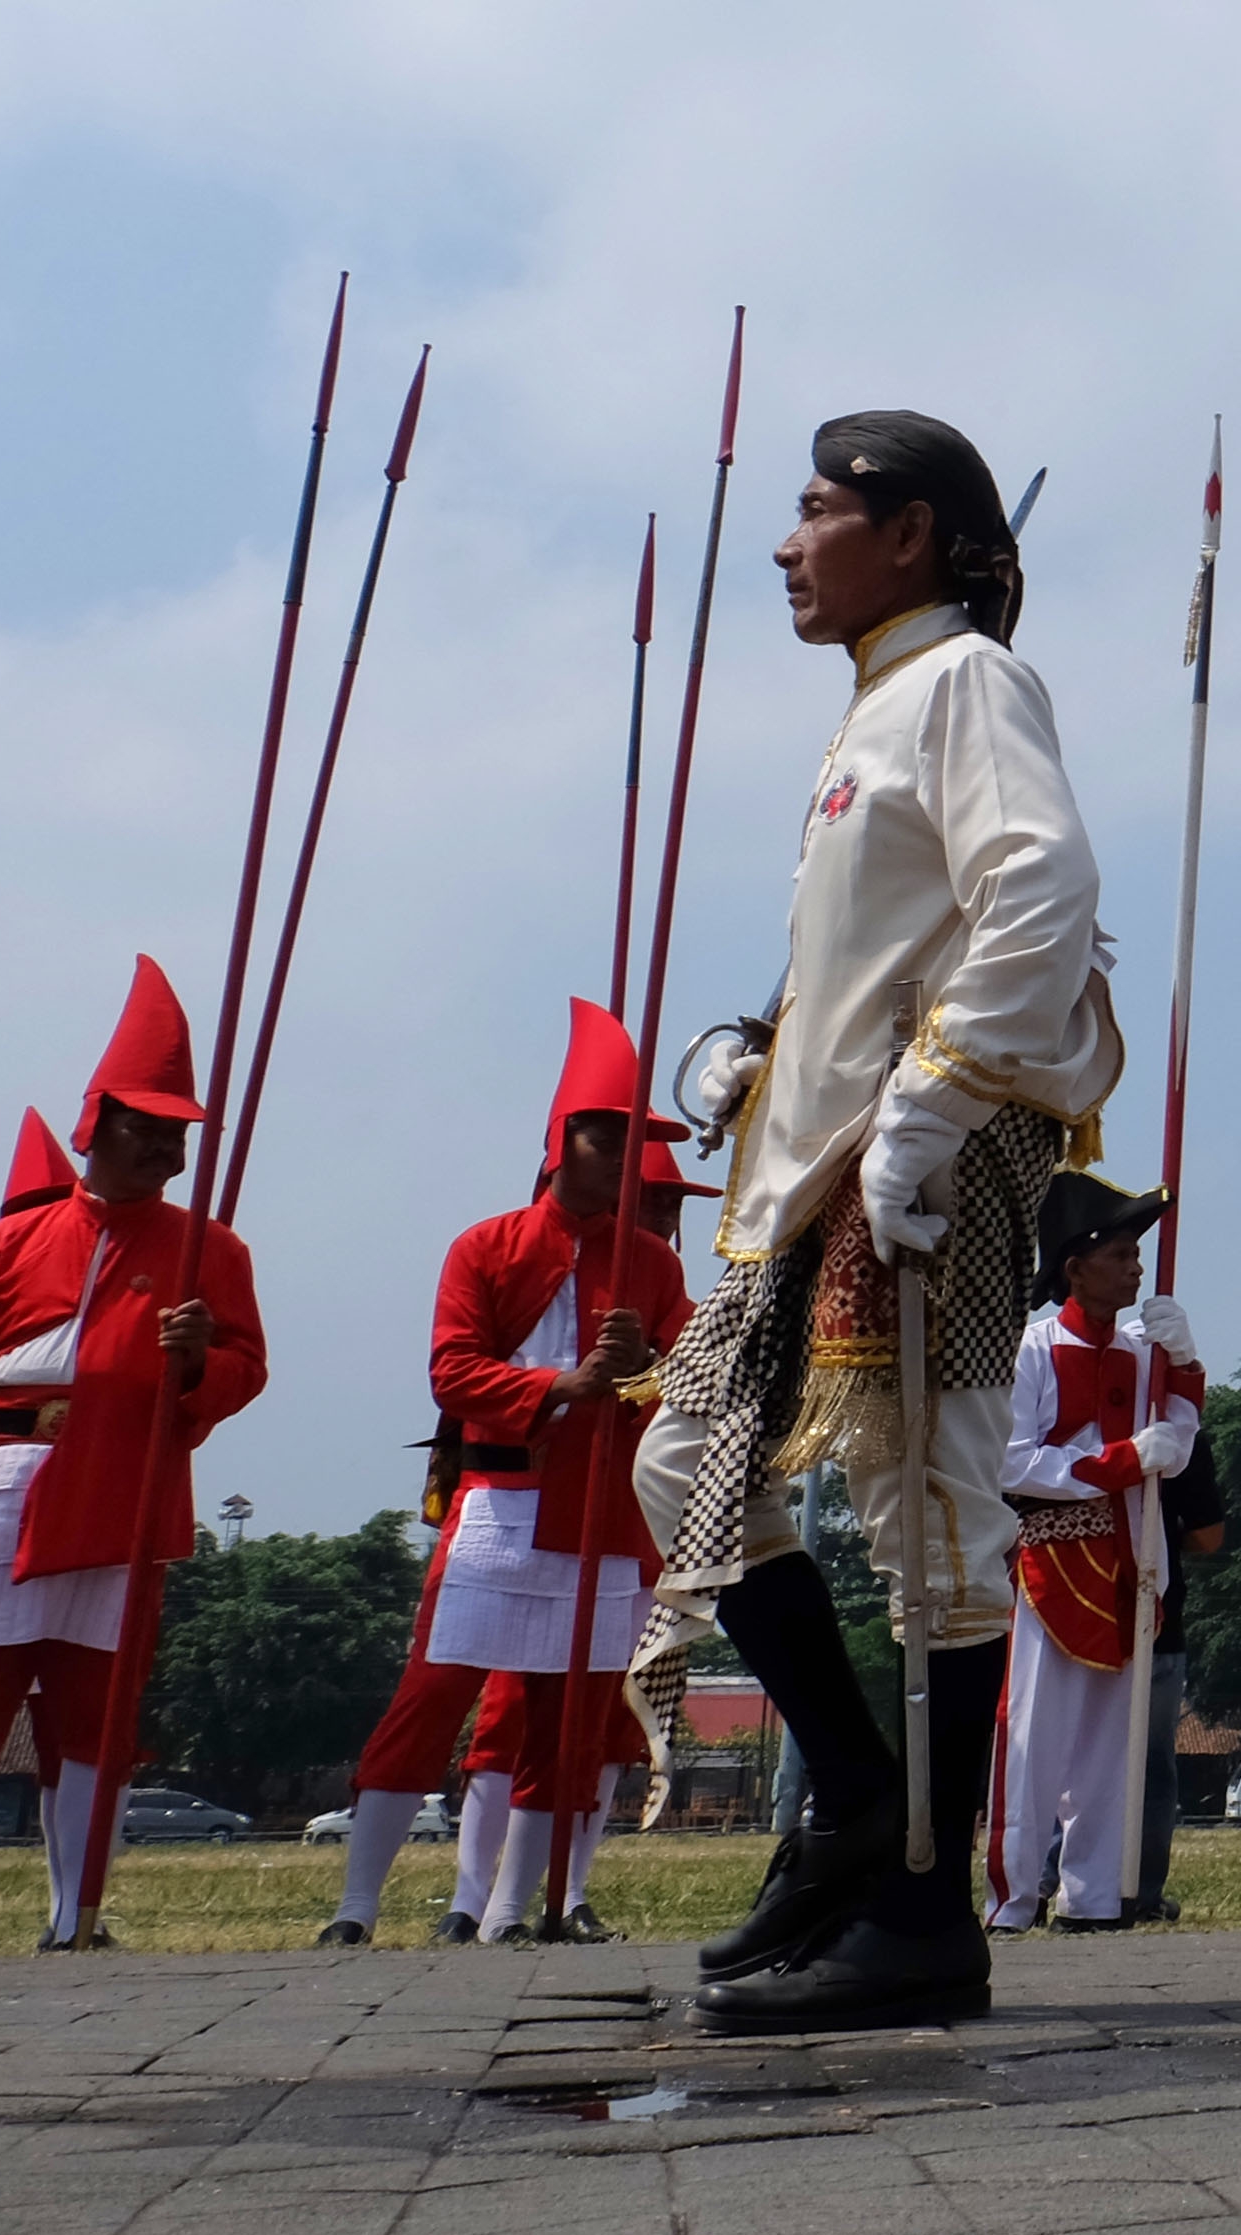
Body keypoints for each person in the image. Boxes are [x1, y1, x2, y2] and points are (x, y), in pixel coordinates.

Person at [644, 410, 1118, 2036]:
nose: (787, 542)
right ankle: (855, 1799)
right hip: (810, 1170)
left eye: (816, 509)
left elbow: (1042, 885)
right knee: (683, 1463)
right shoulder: (882, 707)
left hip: (919, 1152)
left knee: (930, 1504)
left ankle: (924, 1908)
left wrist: (921, 1109)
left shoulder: (967, 682)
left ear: (908, 532)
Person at [0, 961, 271, 1955]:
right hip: (7, 1486)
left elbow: (245, 1370)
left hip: (126, 1488)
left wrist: (195, 1365)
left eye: (178, 1132)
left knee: (94, 1719)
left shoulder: (210, 1252)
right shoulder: (1, 1247)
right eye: (146, 1125)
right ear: (96, 1122)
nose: (164, 1148)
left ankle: (74, 1915)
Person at [319, 1003, 689, 1950]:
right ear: (562, 1144)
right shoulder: (483, 1247)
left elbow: (683, 1387)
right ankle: (357, 1905)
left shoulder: (649, 1264)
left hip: (601, 1509)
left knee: (572, 1723)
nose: (622, 1160)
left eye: (632, 1143)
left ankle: (518, 1911)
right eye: (608, 1140)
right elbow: (453, 1372)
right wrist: (564, 1383)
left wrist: (644, 1363)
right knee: (430, 1698)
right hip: (499, 1502)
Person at [988, 1173, 1193, 1933]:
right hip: (1054, 1569)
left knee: (1117, 1748)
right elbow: (1013, 1464)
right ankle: (1010, 1900)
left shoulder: (1145, 1353)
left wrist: (1187, 1373)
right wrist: (1117, 1461)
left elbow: (1173, 1447)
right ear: (1076, 1266)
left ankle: (1096, 1897)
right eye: (1121, 1254)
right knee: (1033, 1743)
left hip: (1133, 1568)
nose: (1136, 1269)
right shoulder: (1033, 1349)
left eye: (1138, 1254)